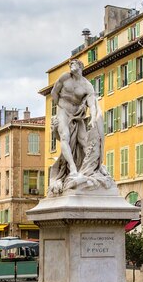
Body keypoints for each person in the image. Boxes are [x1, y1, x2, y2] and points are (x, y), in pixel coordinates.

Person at [48, 59, 112, 195]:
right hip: (63, 111)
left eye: (74, 64)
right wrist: (60, 107)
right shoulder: (64, 78)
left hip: (78, 114)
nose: (71, 66)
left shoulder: (87, 86)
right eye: (70, 64)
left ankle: (94, 167)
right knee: (64, 136)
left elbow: (93, 105)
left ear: (81, 67)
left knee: (84, 141)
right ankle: (72, 168)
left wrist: (93, 119)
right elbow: (54, 92)